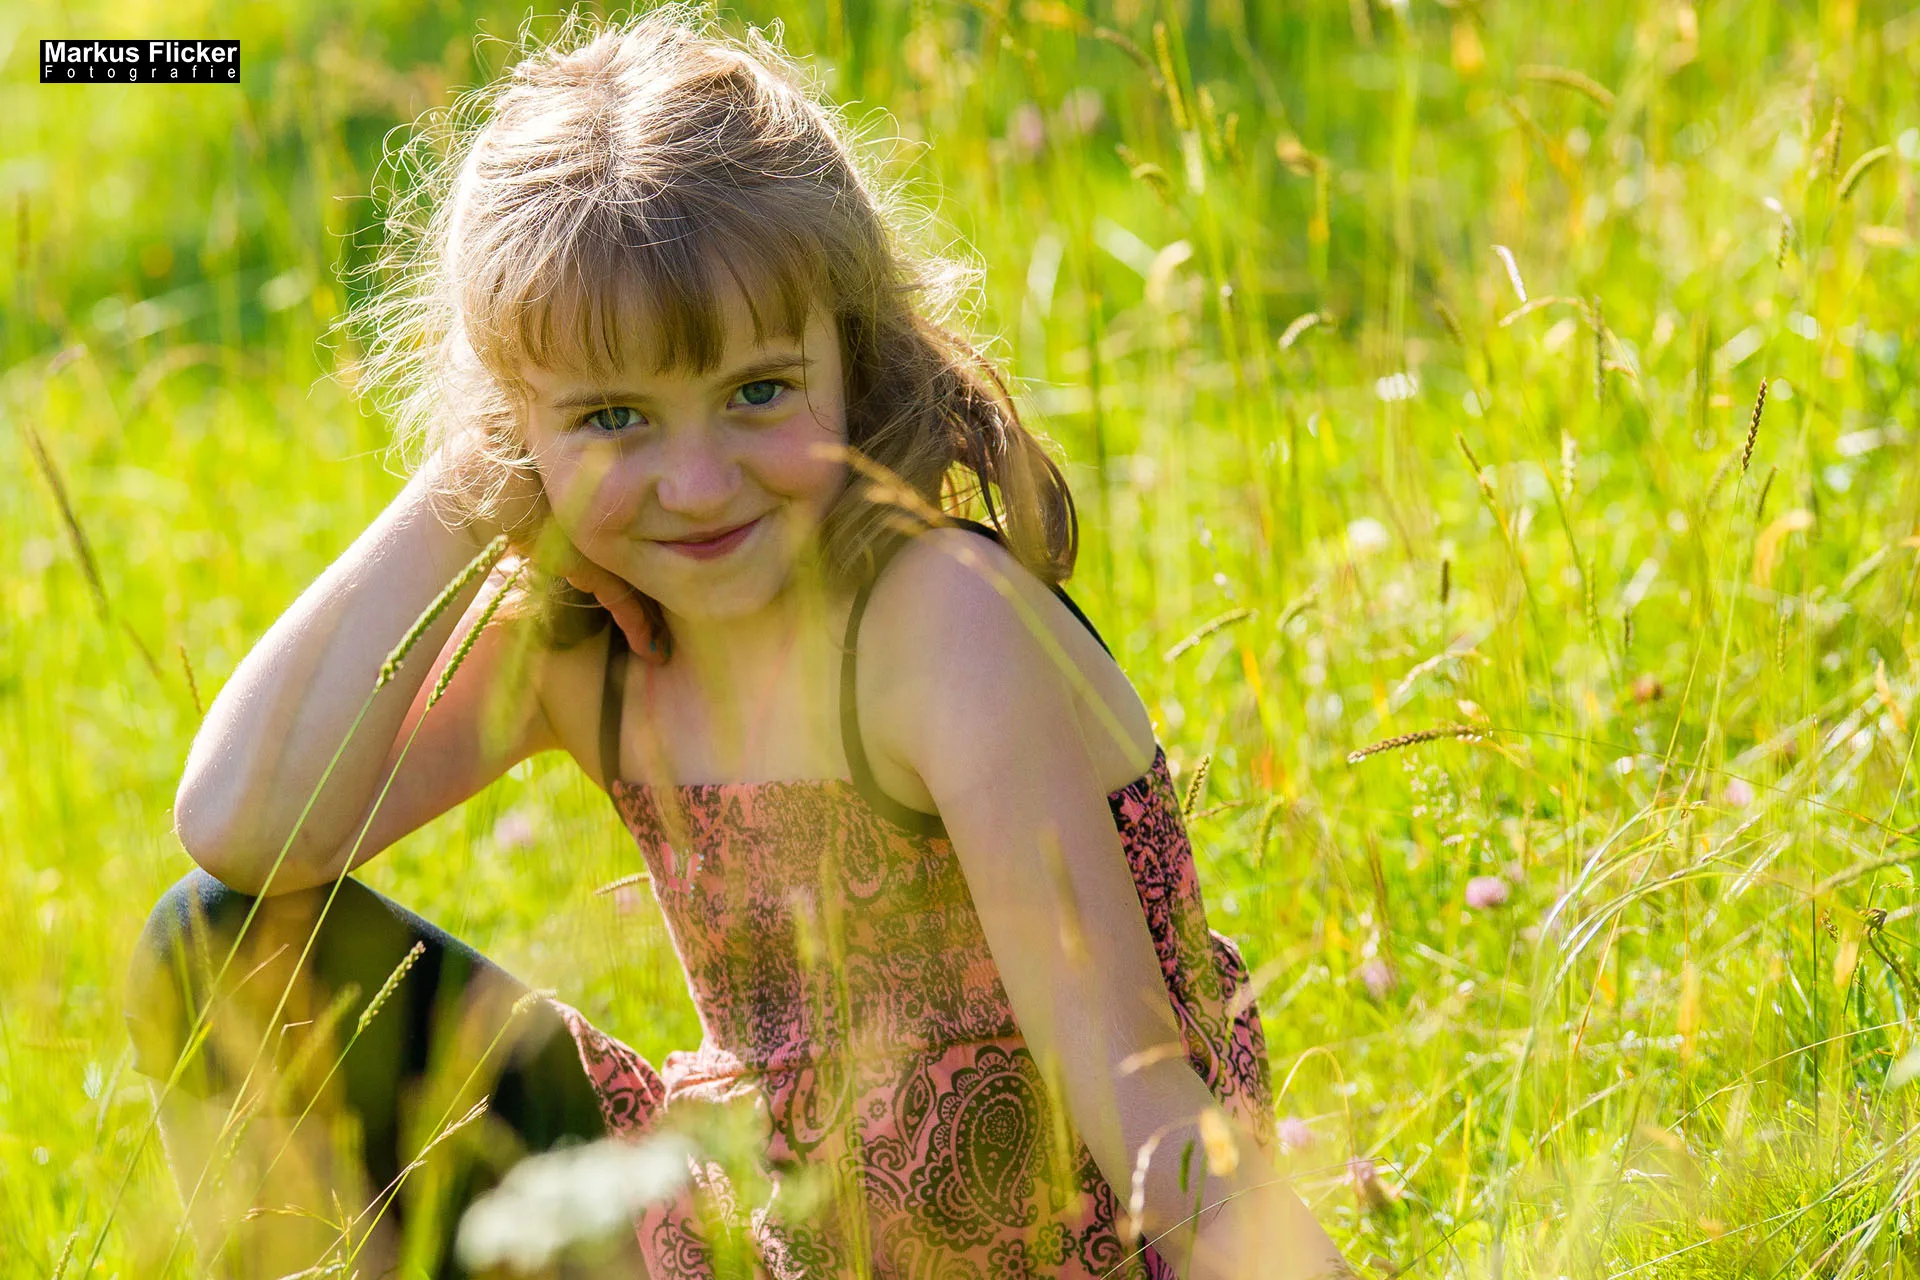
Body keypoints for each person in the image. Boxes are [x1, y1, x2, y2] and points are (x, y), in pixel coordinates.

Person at [126, 9, 1345, 1278]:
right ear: (515, 425)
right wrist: (473, 487)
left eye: (758, 391)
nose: (698, 483)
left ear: (848, 349)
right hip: (752, 1239)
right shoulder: (584, 645)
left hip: (1054, 1253)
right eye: (614, 416)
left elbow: (1153, 1123)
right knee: (215, 946)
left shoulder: (933, 626)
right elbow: (241, 828)